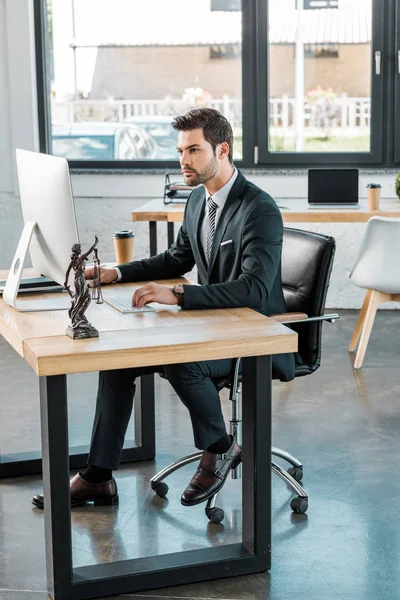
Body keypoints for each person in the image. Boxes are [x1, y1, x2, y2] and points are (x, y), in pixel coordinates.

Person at [32, 108, 295, 510]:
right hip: (214, 325)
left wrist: (180, 296)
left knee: (178, 359)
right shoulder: (198, 201)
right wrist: (115, 273)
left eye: (193, 150)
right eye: (180, 151)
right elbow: (176, 259)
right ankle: (98, 478)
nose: (183, 161)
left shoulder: (258, 209)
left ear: (222, 150)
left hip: (257, 335)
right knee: (118, 363)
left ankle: (220, 446)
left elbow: (256, 290)